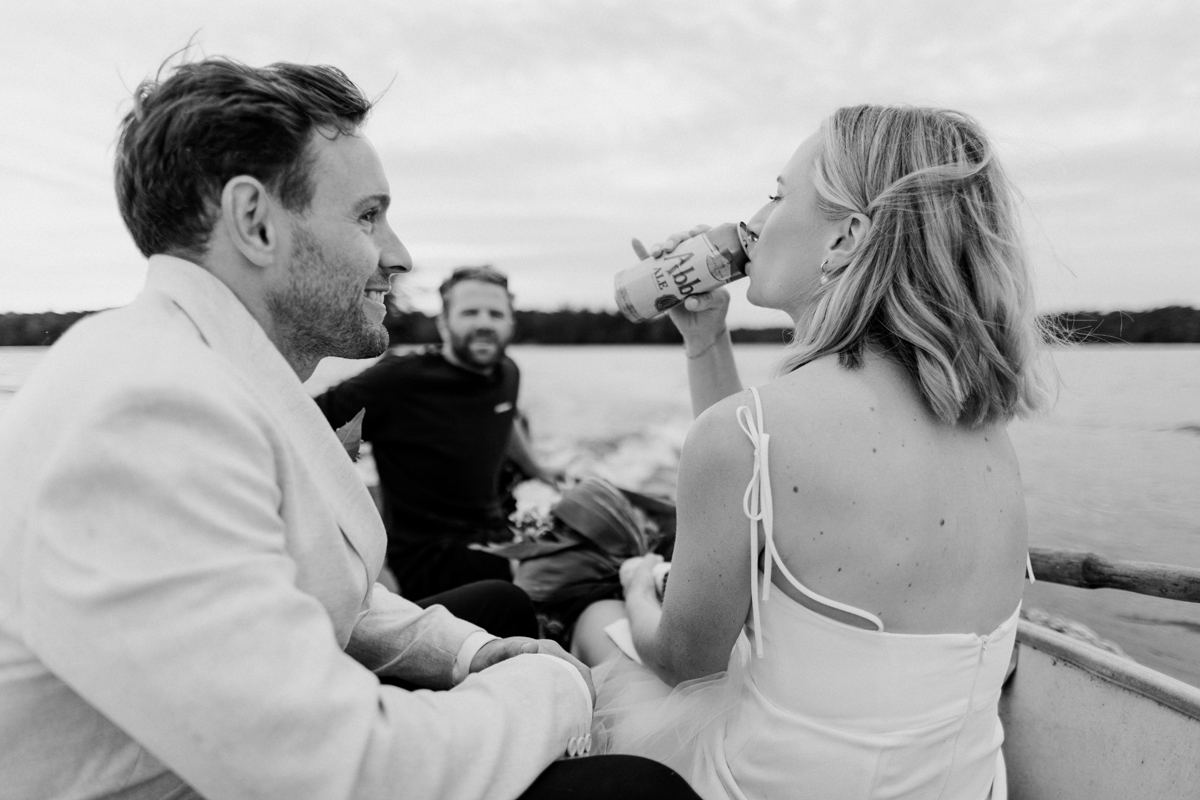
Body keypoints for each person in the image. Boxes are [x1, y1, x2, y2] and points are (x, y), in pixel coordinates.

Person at [0, 56, 699, 800]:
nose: (399, 255)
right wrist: (553, 689)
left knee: (501, 618)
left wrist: (472, 656)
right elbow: (333, 772)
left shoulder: (224, 372)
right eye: (369, 215)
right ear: (255, 222)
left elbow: (324, 591)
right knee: (634, 791)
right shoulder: (148, 415)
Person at [571, 105, 1050, 800]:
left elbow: (685, 665)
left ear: (847, 238)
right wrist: (706, 339)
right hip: (973, 789)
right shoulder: (986, 428)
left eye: (776, 194)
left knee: (596, 621)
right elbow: (756, 475)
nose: (754, 221)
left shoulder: (744, 434)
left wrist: (637, 589)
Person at [314, 265, 557, 598]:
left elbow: (505, 417)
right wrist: (352, 538)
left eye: (496, 314)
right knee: (532, 586)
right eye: (470, 312)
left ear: (511, 324)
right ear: (443, 323)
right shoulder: (398, 380)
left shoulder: (507, 374)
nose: (484, 323)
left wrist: (540, 472)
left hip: (495, 534)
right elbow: (305, 421)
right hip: (429, 557)